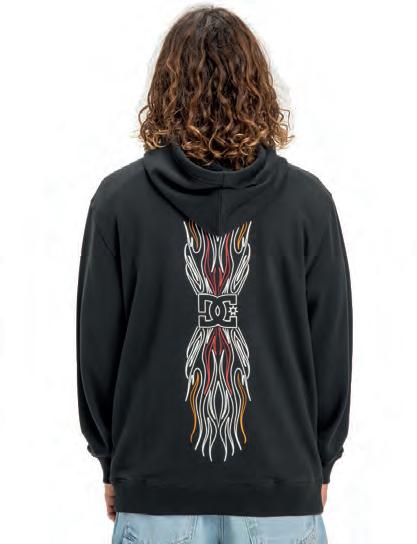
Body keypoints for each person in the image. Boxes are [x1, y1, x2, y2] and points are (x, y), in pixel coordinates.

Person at [76, 6, 352, 543]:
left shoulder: (119, 202)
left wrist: (112, 460)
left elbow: (97, 350)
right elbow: (332, 349)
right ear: (258, 89)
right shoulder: (308, 204)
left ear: (166, 90)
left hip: (154, 485)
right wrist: (320, 461)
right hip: (281, 486)